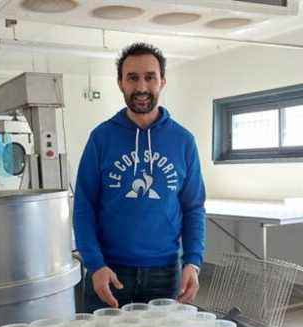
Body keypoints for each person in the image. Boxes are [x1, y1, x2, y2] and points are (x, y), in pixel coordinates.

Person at [73, 42, 206, 312]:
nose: (142, 87)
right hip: (109, 271)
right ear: (121, 83)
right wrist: (95, 264)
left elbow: (193, 208)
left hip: (165, 272)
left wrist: (192, 261)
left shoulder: (183, 141)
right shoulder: (101, 138)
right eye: (132, 78)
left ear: (162, 81)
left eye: (150, 77)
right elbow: (83, 206)